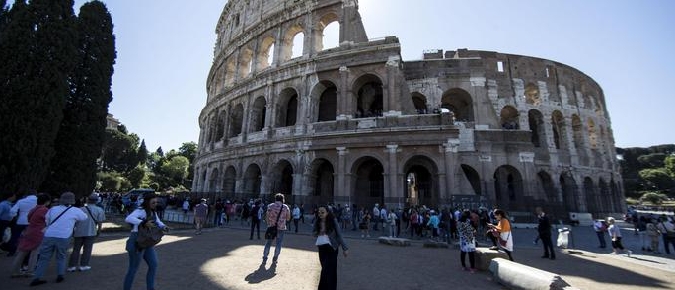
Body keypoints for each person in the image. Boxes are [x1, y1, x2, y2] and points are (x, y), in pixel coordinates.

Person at [29, 192, 88, 286]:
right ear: (72, 201)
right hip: (64, 236)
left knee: (44, 257)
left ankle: (37, 277)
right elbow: (84, 217)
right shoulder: (75, 210)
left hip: (49, 235)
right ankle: (60, 275)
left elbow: (47, 220)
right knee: (61, 255)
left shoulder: (53, 209)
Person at [123, 193, 169, 290]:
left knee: (154, 264)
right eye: (153, 202)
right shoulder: (140, 210)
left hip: (147, 241)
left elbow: (158, 221)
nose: (155, 204)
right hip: (137, 240)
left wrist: (163, 226)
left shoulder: (152, 212)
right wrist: (143, 222)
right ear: (147, 202)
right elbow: (128, 218)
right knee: (133, 269)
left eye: (156, 202)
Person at [10, 194, 50, 278]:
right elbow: (48, 221)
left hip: (29, 230)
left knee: (23, 251)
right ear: (47, 201)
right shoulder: (45, 210)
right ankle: (30, 270)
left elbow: (28, 218)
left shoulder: (34, 209)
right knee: (35, 252)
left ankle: (15, 270)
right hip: (38, 232)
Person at [313, 205, 349, 290]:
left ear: (327, 213)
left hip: (332, 247)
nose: (320, 214)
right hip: (321, 247)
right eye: (319, 212)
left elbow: (339, 234)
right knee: (324, 269)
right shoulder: (317, 221)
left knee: (330, 269)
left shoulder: (333, 221)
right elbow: (313, 232)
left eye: (322, 212)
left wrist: (345, 248)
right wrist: (319, 232)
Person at [67, 193, 106, 272]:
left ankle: (72, 266)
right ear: (96, 201)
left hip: (79, 231)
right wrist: (99, 230)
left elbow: (75, 221)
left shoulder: (81, 209)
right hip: (91, 231)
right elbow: (100, 222)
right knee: (87, 249)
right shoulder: (99, 210)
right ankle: (83, 265)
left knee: (76, 249)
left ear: (88, 200)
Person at [262, 193, 290, 264]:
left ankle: (265, 257)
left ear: (275, 199)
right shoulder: (285, 207)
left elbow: (266, 216)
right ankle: (275, 258)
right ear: (282, 199)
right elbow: (288, 218)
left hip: (271, 226)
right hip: (281, 228)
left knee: (268, 243)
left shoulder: (270, 206)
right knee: (278, 243)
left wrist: (269, 223)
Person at [8, 190, 38, 256]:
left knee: (15, 236)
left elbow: (12, 211)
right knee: (30, 237)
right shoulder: (37, 201)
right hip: (31, 222)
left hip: (20, 221)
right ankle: (26, 252)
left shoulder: (21, 201)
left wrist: (13, 217)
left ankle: (11, 251)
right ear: (35, 194)